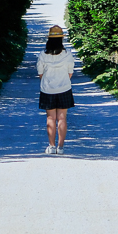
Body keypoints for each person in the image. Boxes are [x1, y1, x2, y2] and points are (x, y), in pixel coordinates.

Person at [37, 24, 75, 154]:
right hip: (64, 88)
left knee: (50, 118)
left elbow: (40, 74)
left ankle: (51, 146)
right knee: (62, 118)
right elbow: (70, 74)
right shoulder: (67, 54)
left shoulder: (43, 55)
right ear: (61, 39)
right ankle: (61, 147)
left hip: (47, 90)